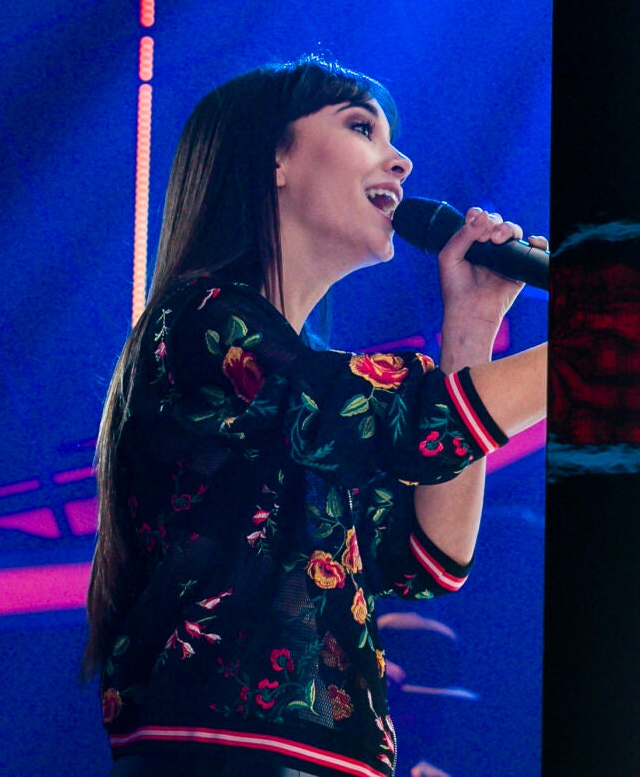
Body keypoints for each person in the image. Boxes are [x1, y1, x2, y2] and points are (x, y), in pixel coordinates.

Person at [83, 55, 546, 777]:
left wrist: (471, 327)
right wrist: (616, 325)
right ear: (275, 159)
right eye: (361, 127)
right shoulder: (202, 323)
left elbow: (428, 555)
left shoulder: (299, 386)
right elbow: (408, 418)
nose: (400, 160)